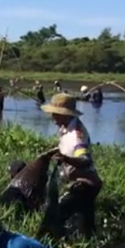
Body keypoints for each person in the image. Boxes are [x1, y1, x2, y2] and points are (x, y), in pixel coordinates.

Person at [41, 93, 102, 238]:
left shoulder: (76, 135)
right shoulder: (65, 128)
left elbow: (84, 160)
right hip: (78, 183)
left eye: (55, 114)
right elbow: (65, 148)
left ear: (65, 114)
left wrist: (65, 159)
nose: (52, 117)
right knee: (85, 222)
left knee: (58, 213)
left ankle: (56, 243)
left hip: (85, 184)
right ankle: (87, 244)